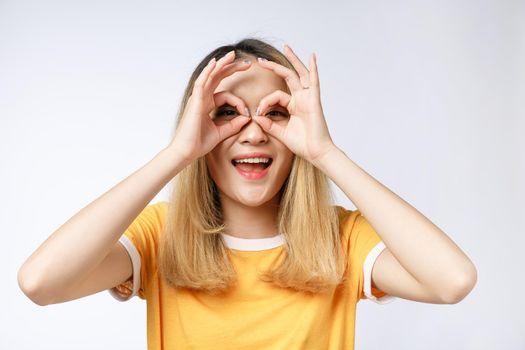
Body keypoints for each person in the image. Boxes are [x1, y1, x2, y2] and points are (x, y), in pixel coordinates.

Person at [17, 38, 477, 349]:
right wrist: (177, 154)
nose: (253, 133)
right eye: (226, 114)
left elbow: (453, 280)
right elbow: (41, 283)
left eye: (275, 114)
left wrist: (326, 152)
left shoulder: (340, 238)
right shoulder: (162, 234)